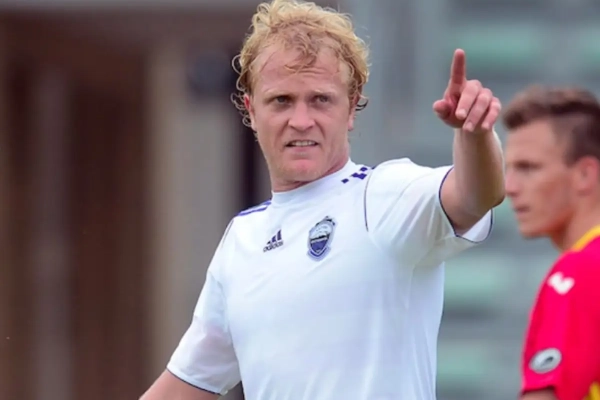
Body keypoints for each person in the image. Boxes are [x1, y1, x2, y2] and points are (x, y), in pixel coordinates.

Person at [141, 0, 504, 399]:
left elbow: (475, 196)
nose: (301, 121)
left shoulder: (382, 197)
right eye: (281, 100)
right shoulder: (242, 239)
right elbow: (186, 385)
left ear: (351, 108)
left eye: (320, 100)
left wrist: (475, 135)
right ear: (251, 110)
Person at [503, 86, 600, 400]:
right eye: (508, 169)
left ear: (584, 174)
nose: (509, 187)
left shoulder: (582, 270)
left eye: (528, 168)